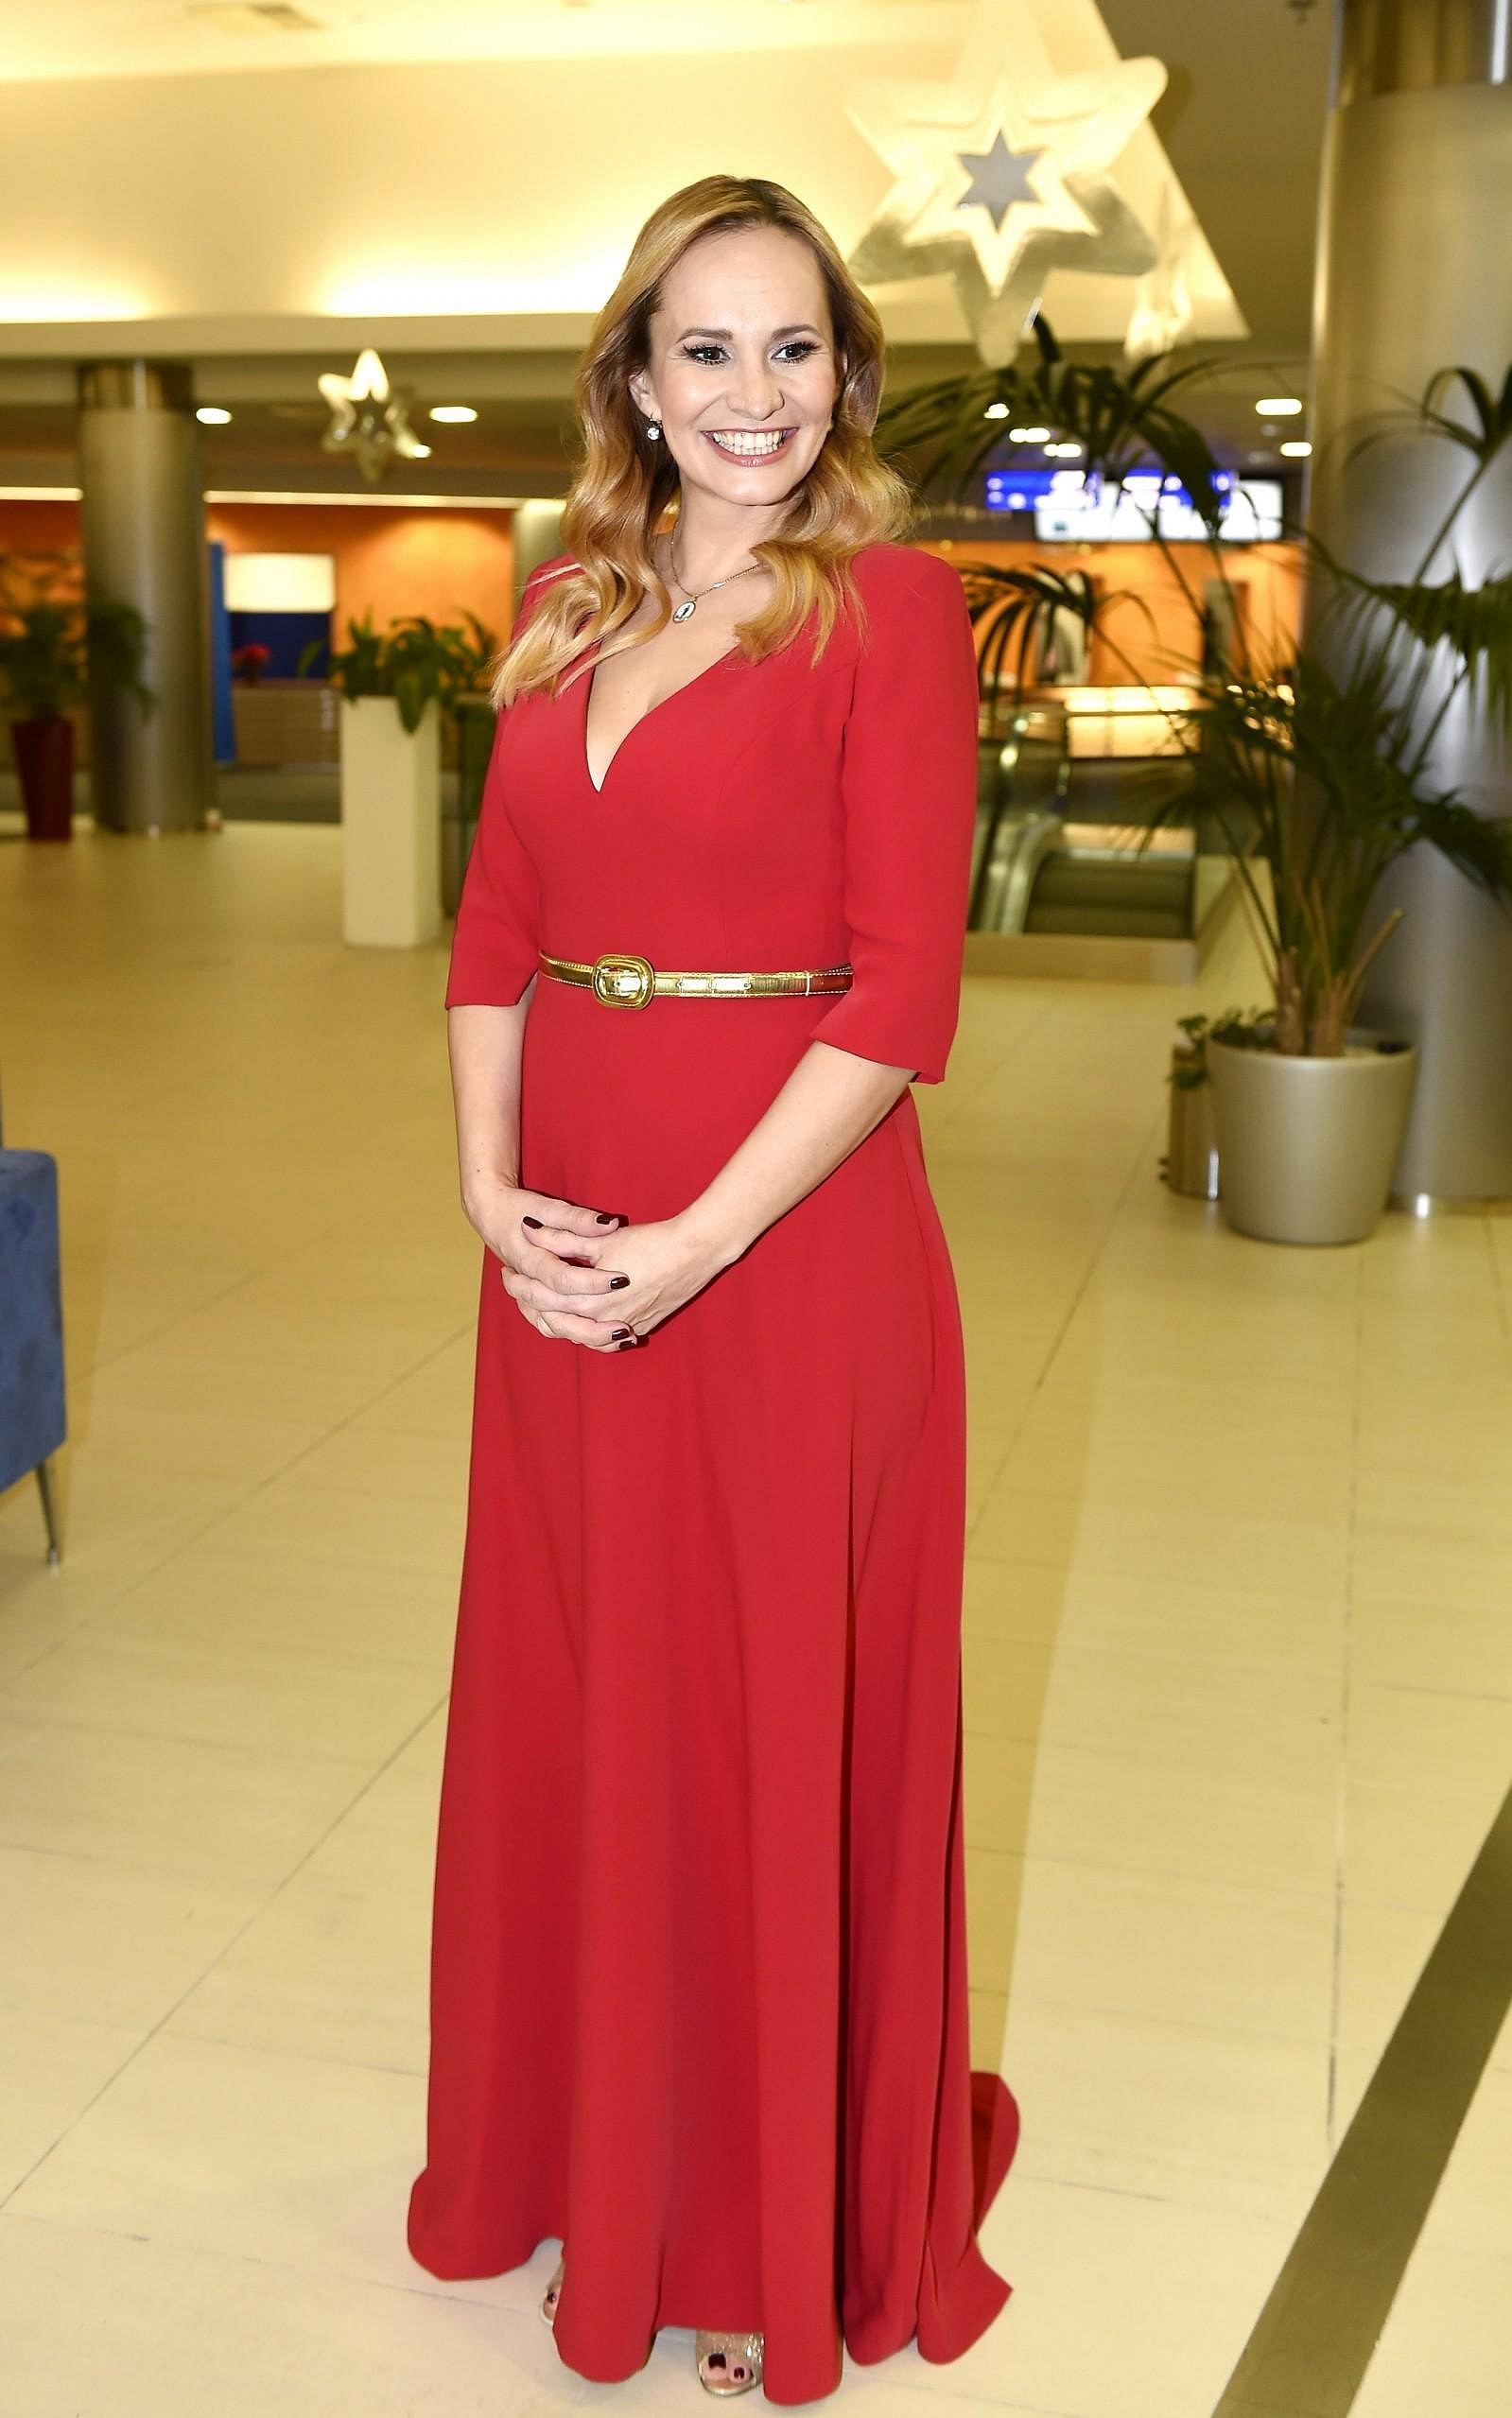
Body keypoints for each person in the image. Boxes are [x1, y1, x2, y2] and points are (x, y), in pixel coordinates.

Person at [407, 172, 1020, 2406]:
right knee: (591, 1705)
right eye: (706, 348)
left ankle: (767, 2221)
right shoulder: (562, 602)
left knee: (763, 1722)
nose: (752, 392)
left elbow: (899, 992)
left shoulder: (890, 613)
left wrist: (690, 1243)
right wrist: (490, 1185)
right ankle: (599, 2161)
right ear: (635, 382)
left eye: (792, 347)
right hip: (567, 1247)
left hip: (785, 1257)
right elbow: (497, 922)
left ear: (843, 377)